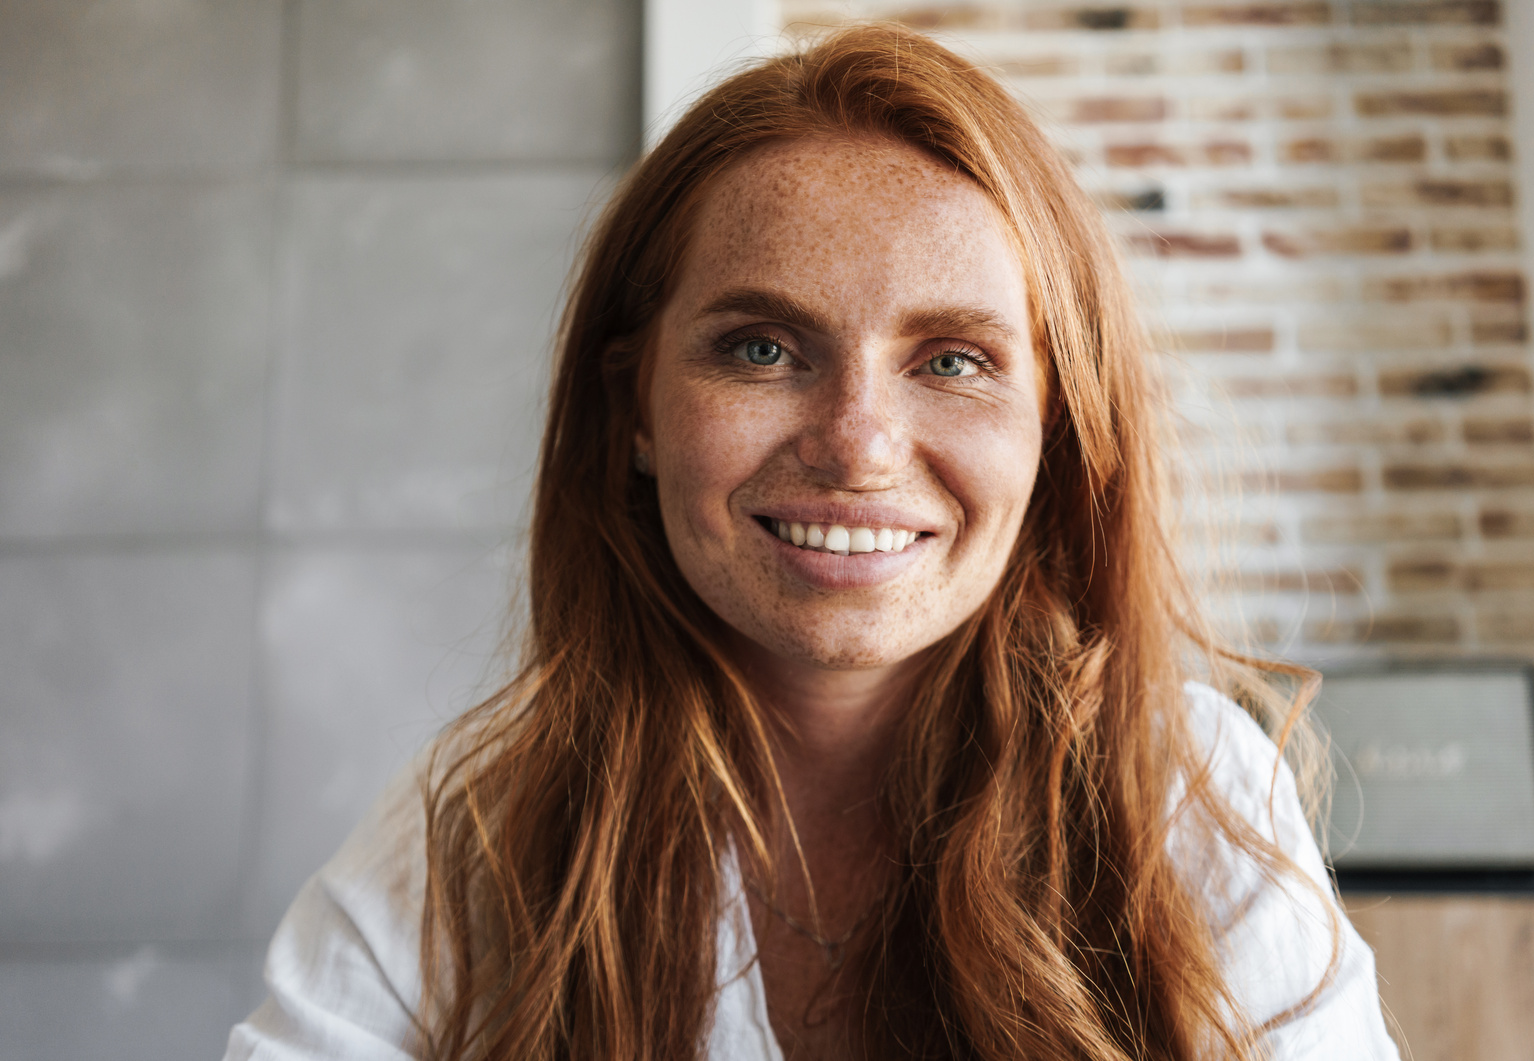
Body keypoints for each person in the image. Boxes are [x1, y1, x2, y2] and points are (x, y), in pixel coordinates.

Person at [226, 24, 1397, 1061]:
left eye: (952, 360)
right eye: (760, 349)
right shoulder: (480, 828)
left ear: (1056, 420)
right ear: (635, 408)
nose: (858, 447)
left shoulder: (1181, 790)